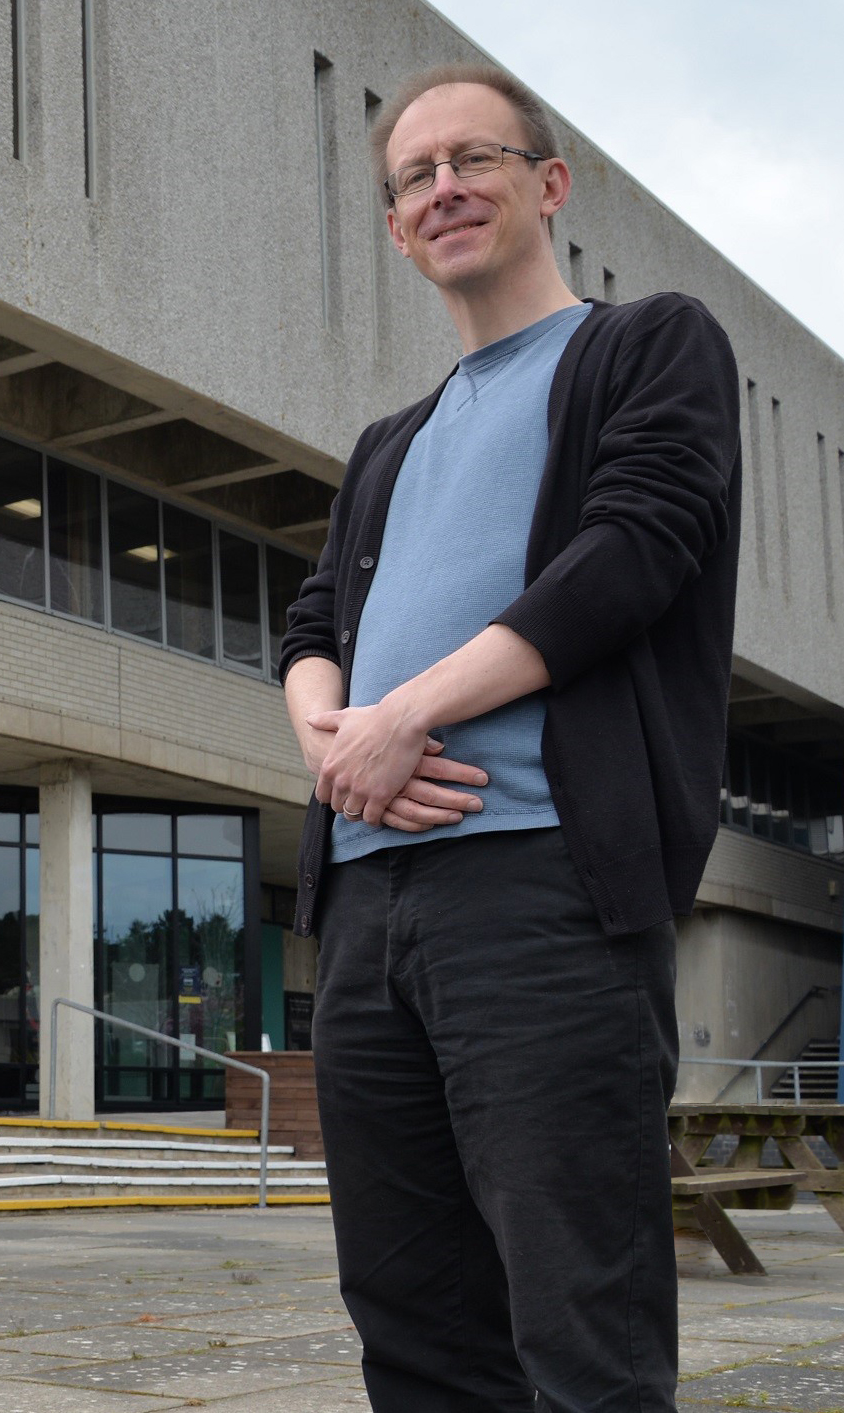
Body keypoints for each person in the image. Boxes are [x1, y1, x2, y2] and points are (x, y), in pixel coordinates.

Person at [280, 64, 741, 1411]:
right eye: (413, 178)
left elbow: (631, 553)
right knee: (412, 1321)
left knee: (578, 1322)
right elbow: (310, 620)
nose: (443, 190)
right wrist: (332, 736)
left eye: (470, 159)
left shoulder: (646, 344)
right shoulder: (389, 440)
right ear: (394, 229)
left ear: (547, 184)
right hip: (367, 915)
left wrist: (406, 713)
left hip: (543, 895)